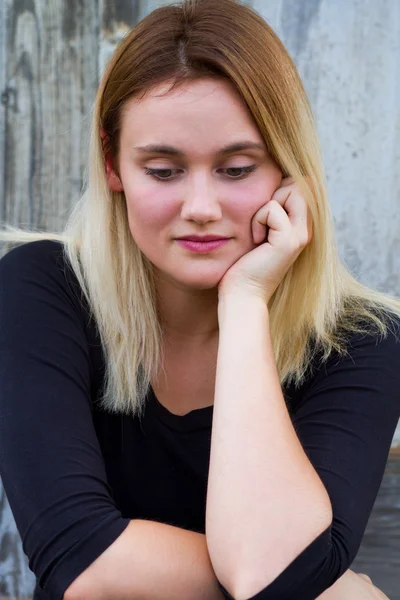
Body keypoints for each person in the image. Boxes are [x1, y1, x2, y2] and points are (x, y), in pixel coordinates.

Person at [0, 0, 398, 598]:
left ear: (287, 170)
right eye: (163, 170)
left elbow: (274, 571)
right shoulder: (40, 289)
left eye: (237, 168)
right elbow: (85, 570)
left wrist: (245, 302)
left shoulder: (362, 339)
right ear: (113, 164)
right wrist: (331, 590)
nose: (202, 207)